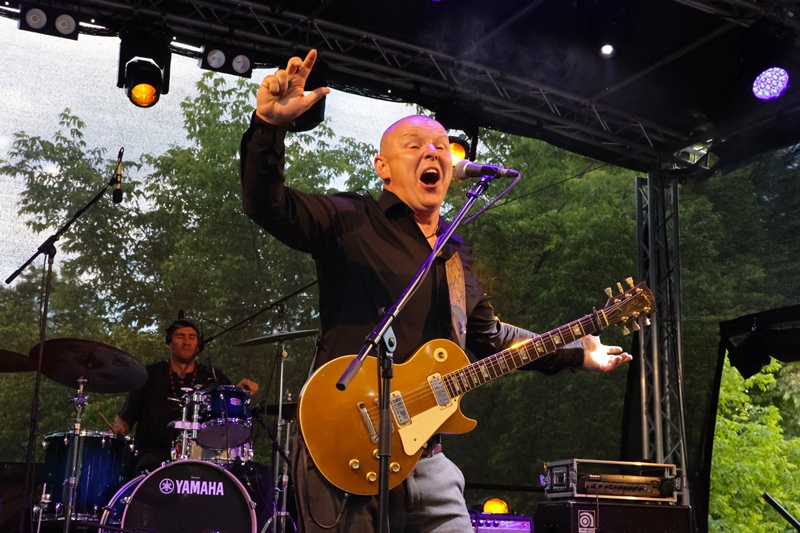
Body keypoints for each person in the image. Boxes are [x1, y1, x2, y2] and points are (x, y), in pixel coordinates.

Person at [240, 49, 632, 533]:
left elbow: (491, 337)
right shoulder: (351, 219)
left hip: (429, 461)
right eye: (415, 145)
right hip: (347, 447)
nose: (433, 152)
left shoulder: (455, 252)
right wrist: (268, 126)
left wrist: (576, 351)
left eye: (441, 146)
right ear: (383, 167)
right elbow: (268, 205)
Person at [112, 315, 259, 473]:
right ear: (169, 343)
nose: (187, 342)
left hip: (202, 457)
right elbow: (124, 419)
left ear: (198, 345)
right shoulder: (148, 375)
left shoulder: (213, 377)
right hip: (154, 455)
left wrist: (238, 392)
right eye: (180, 336)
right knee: (150, 464)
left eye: (192, 337)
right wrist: (120, 427)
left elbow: (227, 412)